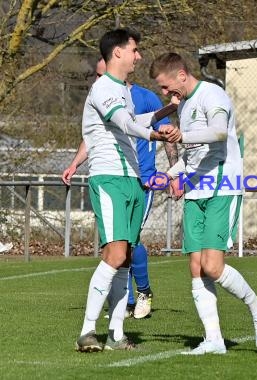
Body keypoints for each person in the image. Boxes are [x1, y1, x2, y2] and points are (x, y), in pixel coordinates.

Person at [149, 52, 257, 355]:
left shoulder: (212, 94)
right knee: (196, 267)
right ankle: (214, 340)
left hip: (221, 185)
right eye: (162, 90)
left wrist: (182, 135)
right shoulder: (187, 104)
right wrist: (168, 175)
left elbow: (218, 133)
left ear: (181, 74)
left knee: (213, 266)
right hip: (195, 190)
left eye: (167, 87)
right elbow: (192, 156)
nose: (165, 95)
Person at [74, 29, 180, 352]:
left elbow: (137, 117)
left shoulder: (124, 91)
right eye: (135, 49)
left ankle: (117, 334)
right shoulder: (103, 88)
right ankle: (87, 331)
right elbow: (124, 123)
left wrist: (164, 114)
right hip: (109, 180)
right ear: (117, 53)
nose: (139, 56)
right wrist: (157, 136)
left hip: (131, 181)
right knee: (115, 254)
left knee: (125, 259)